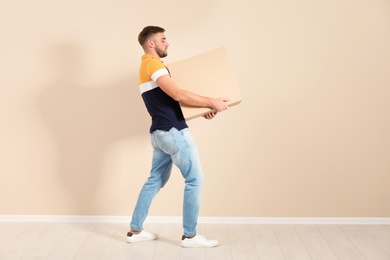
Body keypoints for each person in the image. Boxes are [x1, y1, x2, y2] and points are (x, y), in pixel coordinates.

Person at [127, 26, 229, 248]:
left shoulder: (145, 66)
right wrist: (211, 101)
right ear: (151, 43)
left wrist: (203, 109)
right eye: (163, 39)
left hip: (160, 133)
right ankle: (190, 236)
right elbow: (178, 94)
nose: (167, 43)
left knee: (155, 180)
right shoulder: (153, 64)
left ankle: (135, 230)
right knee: (195, 180)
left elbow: (168, 103)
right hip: (173, 132)